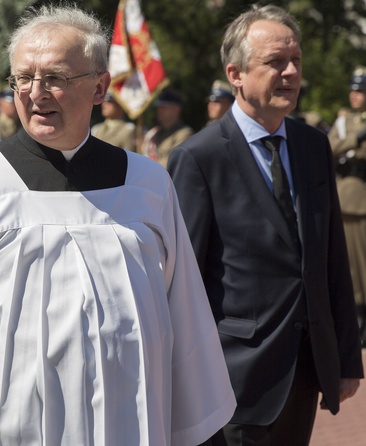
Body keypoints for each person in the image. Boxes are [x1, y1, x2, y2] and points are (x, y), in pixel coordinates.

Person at [0, 5, 236, 446]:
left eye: (55, 78)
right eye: (23, 79)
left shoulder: (148, 184)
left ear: (100, 87)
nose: (36, 92)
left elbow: (182, 315)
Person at [167, 5, 363, 445]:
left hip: (304, 371)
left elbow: (329, 256)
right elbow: (184, 281)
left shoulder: (313, 146)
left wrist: (346, 359)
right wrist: (182, 381)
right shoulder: (200, 158)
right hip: (233, 380)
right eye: (276, 62)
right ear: (236, 74)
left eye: (296, 61)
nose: (291, 72)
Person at [328, 66, 366, 345]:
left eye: (361, 90)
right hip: (349, 198)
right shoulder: (342, 122)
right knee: (351, 266)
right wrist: (354, 140)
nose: (355, 95)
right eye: (353, 89)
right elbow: (329, 149)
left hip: (360, 196)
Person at [138, 88, 193, 168]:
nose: (160, 111)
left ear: (176, 109)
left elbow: (174, 161)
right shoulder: (155, 133)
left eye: (164, 107)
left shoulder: (184, 134)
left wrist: (145, 166)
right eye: (159, 107)